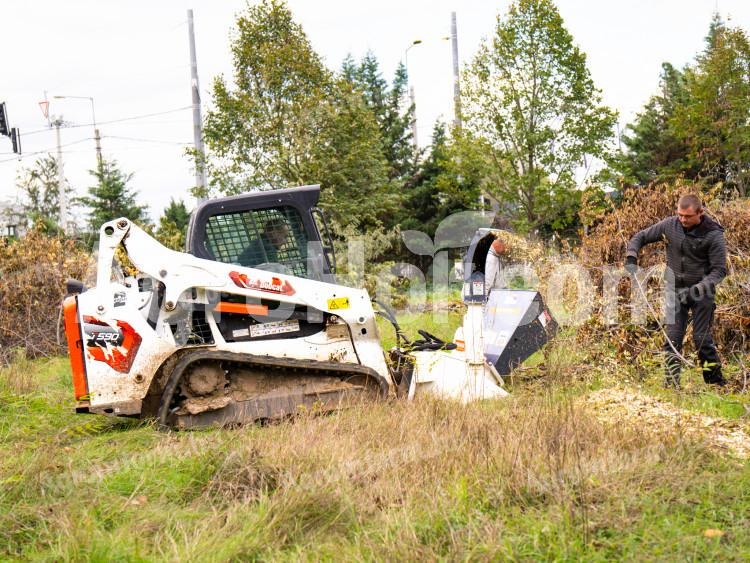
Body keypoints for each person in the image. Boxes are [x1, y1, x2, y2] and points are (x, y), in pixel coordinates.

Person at [625, 194, 727, 388]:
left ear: (700, 213)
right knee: (672, 338)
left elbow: (719, 271)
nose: (683, 220)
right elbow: (641, 237)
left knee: (701, 339)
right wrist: (631, 256)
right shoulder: (670, 225)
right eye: (680, 215)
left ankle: (716, 384)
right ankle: (671, 385)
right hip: (675, 291)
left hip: (702, 293)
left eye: (687, 216)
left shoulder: (713, 234)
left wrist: (697, 289)